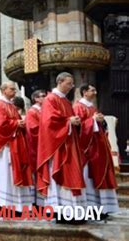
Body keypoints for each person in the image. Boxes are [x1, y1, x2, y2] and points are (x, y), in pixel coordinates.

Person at [37, 72, 86, 221]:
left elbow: (68, 118)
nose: (71, 87)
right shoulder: (50, 99)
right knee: (61, 175)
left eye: (72, 84)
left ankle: (73, 211)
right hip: (58, 146)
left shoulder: (65, 100)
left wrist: (75, 122)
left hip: (70, 143)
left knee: (73, 173)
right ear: (60, 82)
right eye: (68, 83)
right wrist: (69, 122)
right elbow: (48, 121)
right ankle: (62, 212)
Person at [0, 82, 33, 213]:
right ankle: (3, 204)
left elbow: (13, 123)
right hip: (5, 147)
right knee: (6, 175)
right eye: (12, 89)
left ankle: (16, 205)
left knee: (13, 175)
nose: (15, 91)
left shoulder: (10, 105)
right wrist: (17, 123)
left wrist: (20, 124)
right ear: (4, 90)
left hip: (15, 144)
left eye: (15, 89)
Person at [74, 83, 118, 215]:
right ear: (84, 92)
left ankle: (101, 207)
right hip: (88, 149)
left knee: (101, 175)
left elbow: (97, 126)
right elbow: (78, 128)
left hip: (99, 146)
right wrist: (93, 120)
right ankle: (91, 208)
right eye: (92, 90)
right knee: (90, 177)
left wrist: (100, 120)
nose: (95, 93)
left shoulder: (92, 107)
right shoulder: (78, 107)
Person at [25, 90, 46, 174]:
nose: (46, 98)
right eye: (43, 96)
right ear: (36, 99)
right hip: (37, 143)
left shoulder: (44, 110)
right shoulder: (32, 112)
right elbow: (33, 128)